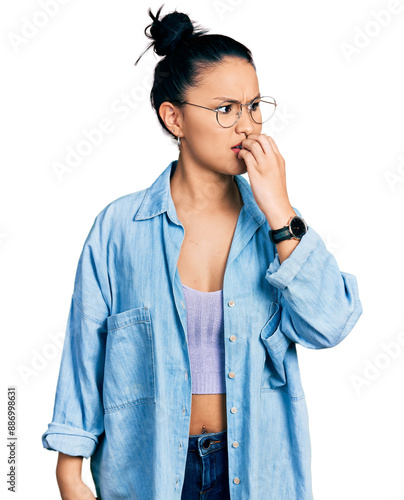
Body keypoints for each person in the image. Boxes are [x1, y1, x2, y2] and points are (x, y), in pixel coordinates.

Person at [41, 5, 363, 499]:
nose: (247, 126)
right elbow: (85, 357)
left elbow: (331, 324)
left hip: (255, 471)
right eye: (225, 109)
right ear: (174, 118)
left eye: (254, 106)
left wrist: (278, 209)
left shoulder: (278, 232)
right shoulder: (119, 229)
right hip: (148, 475)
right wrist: (69, 474)